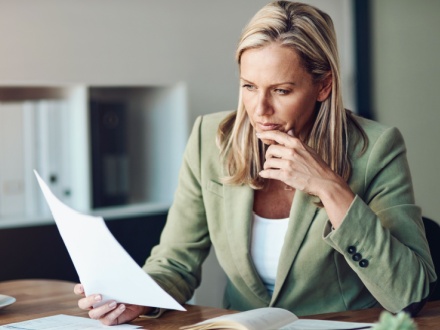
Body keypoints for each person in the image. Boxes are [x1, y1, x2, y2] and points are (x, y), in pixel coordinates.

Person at [75, 0, 437, 325]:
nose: (259, 111)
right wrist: (139, 297)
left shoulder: (376, 149)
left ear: (323, 86)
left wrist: (329, 187)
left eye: (281, 91)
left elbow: (409, 293)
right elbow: (175, 262)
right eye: (249, 86)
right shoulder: (209, 138)